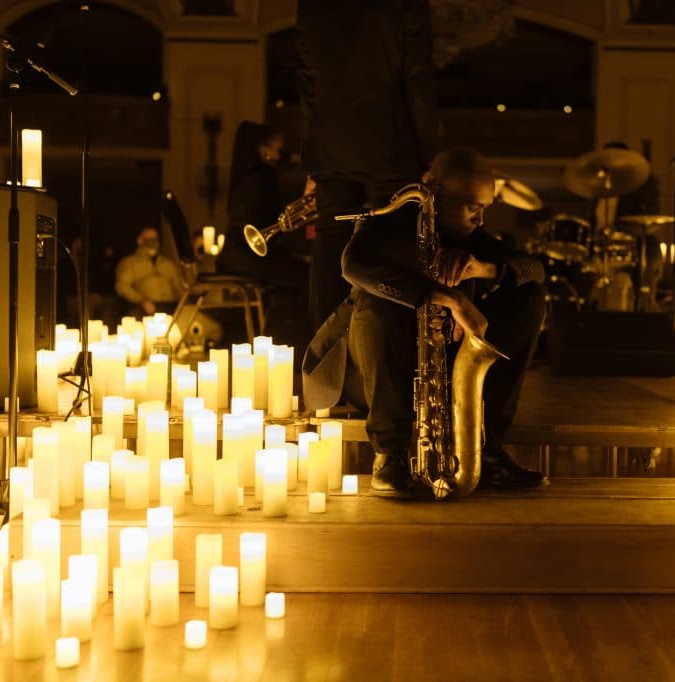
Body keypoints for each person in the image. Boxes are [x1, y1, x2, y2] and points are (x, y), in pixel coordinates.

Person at [303, 148, 546, 497]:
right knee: (377, 301)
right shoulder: (389, 221)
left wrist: (482, 267)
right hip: (363, 371)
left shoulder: (469, 236)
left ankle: (485, 445)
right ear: (437, 194)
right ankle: (388, 454)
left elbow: (535, 269)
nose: (480, 220)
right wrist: (449, 298)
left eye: (484, 209)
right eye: (472, 207)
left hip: (428, 370)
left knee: (529, 297)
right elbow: (352, 265)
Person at [297, 0, 437, 333]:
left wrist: (313, 161)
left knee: (329, 256)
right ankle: (382, 360)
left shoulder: (312, 7)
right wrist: (429, 157)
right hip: (390, 147)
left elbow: (307, 85)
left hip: (329, 149)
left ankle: (322, 361)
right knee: (386, 254)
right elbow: (418, 81)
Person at [216, 122, 306, 288]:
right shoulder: (259, 178)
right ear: (263, 150)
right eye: (276, 142)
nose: (283, 145)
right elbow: (257, 224)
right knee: (305, 275)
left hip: (236, 256)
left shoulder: (254, 176)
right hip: (245, 256)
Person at [114, 226, 184, 317]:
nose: (152, 242)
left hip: (171, 307)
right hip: (144, 309)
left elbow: (179, 286)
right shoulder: (129, 263)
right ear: (140, 240)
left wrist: (184, 302)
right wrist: (142, 300)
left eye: (155, 239)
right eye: (148, 239)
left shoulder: (168, 263)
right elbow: (122, 287)